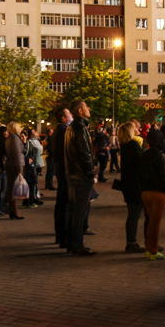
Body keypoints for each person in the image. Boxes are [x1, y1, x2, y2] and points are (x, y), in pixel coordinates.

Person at [65, 100, 96, 256]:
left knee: (74, 210)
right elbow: (84, 153)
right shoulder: (80, 128)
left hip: (72, 174)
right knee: (80, 212)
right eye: (85, 107)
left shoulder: (71, 128)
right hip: (80, 175)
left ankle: (72, 243)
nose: (88, 108)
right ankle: (77, 245)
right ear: (80, 111)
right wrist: (90, 172)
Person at [139, 129, 165, 260]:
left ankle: (149, 247)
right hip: (158, 192)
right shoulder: (160, 156)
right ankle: (153, 250)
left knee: (150, 221)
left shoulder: (145, 155)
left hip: (146, 191)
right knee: (155, 222)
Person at [118, 123, 145, 253]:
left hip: (128, 185)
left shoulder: (125, 146)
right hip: (135, 185)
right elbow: (141, 164)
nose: (137, 129)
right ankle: (132, 242)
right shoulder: (133, 146)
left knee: (132, 214)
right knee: (135, 215)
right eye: (135, 127)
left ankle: (131, 242)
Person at [53, 107, 72, 246]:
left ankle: (60, 236)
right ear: (64, 118)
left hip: (60, 169)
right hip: (65, 170)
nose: (71, 115)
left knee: (61, 204)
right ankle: (64, 237)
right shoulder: (64, 130)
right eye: (68, 113)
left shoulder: (58, 130)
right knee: (64, 204)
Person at [4, 122, 26, 219]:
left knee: (11, 188)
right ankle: (14, 212)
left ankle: (12, 211)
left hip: (10, 165)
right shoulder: (15, 138)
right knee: (15, 188)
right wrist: (20, 168)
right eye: (19, 127)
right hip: (14, 165)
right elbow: (17, 154)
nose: (21, 128)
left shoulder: (10, 138)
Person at [25, 129, 43, 206]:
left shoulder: (37, 141)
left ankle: (35, 196)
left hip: (38, 162)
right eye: (35, 132)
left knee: (35, 181)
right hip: (33, 163)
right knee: (33, 181)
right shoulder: (29, 142)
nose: (37, 133)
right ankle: (32, 198)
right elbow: (27, 152)